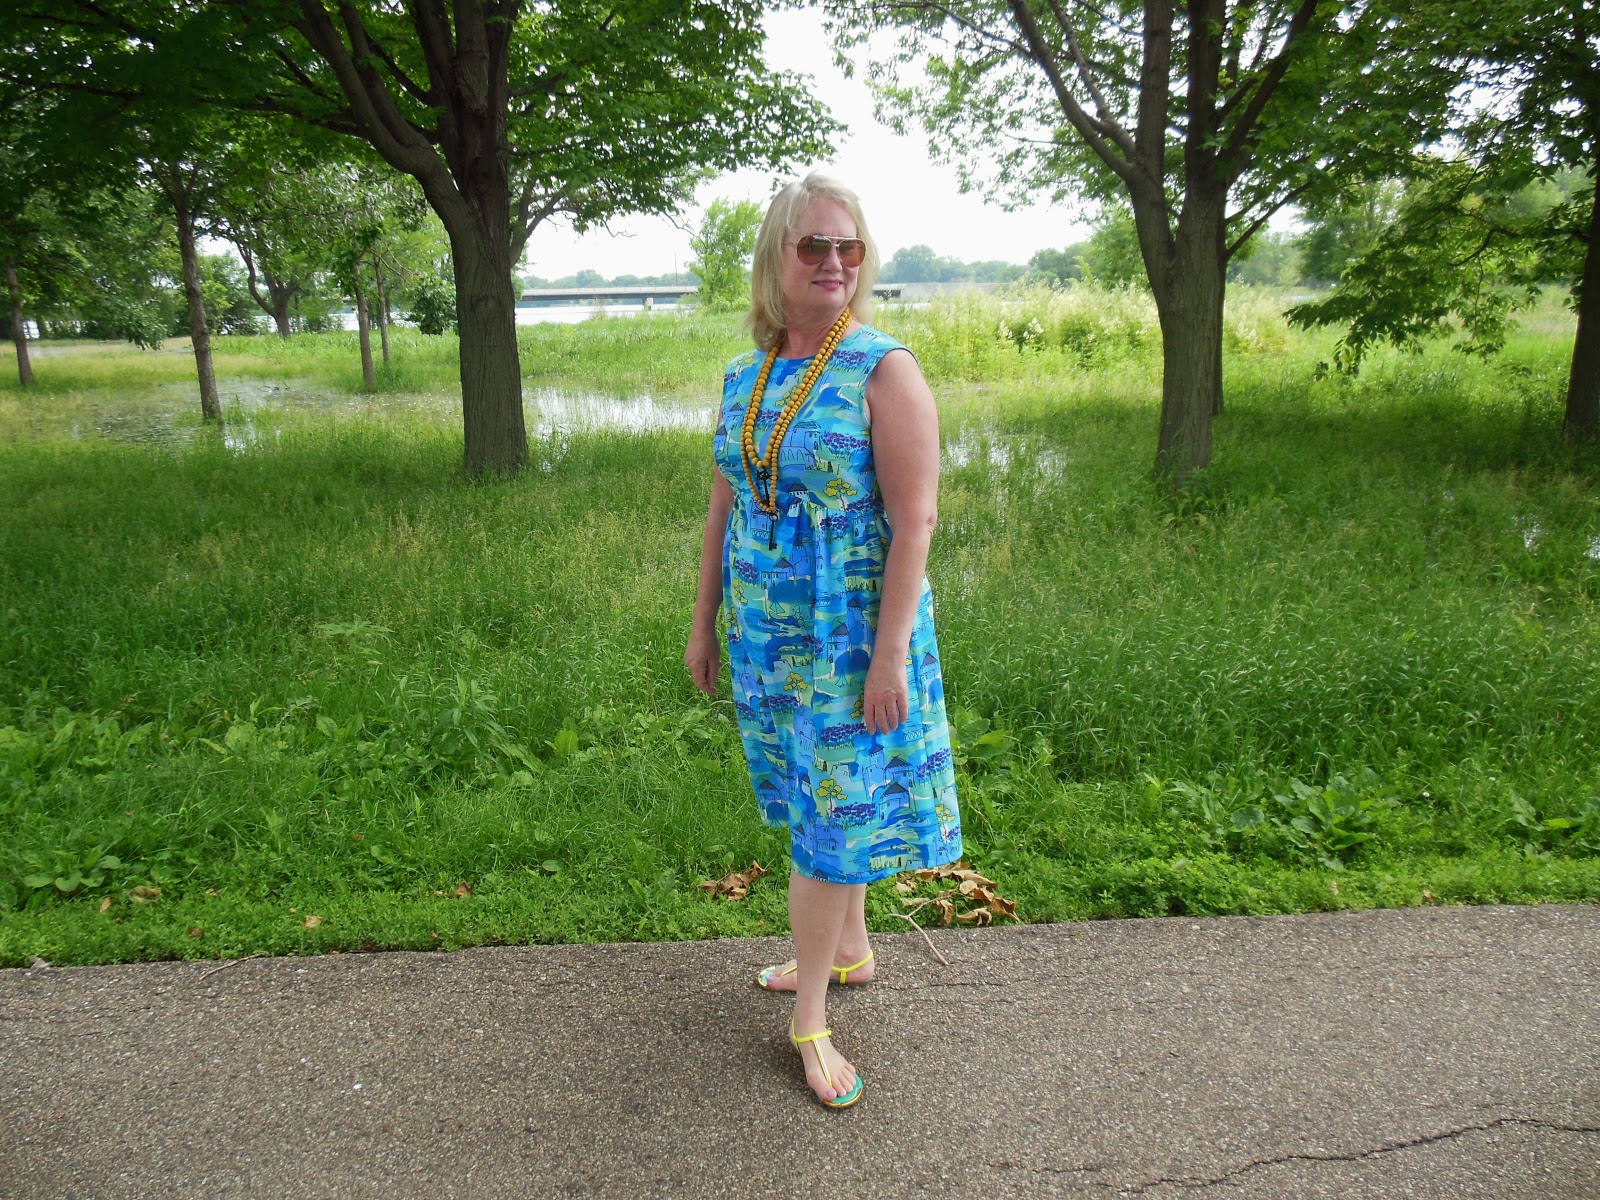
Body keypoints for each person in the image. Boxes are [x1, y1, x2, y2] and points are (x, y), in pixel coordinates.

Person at [685, 172, 962, 1110]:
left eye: (849, 246)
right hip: (768, 638)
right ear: (777, 256)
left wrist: (888, 658)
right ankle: (850, 951)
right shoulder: (747, 373)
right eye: (814, 245)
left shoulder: (884, 369)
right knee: (815, 801)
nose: (835, 261)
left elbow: (916, 523)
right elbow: (725, 503)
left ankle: (810, 1019)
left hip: (849, 640)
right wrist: (703, 622)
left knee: (829, 817)